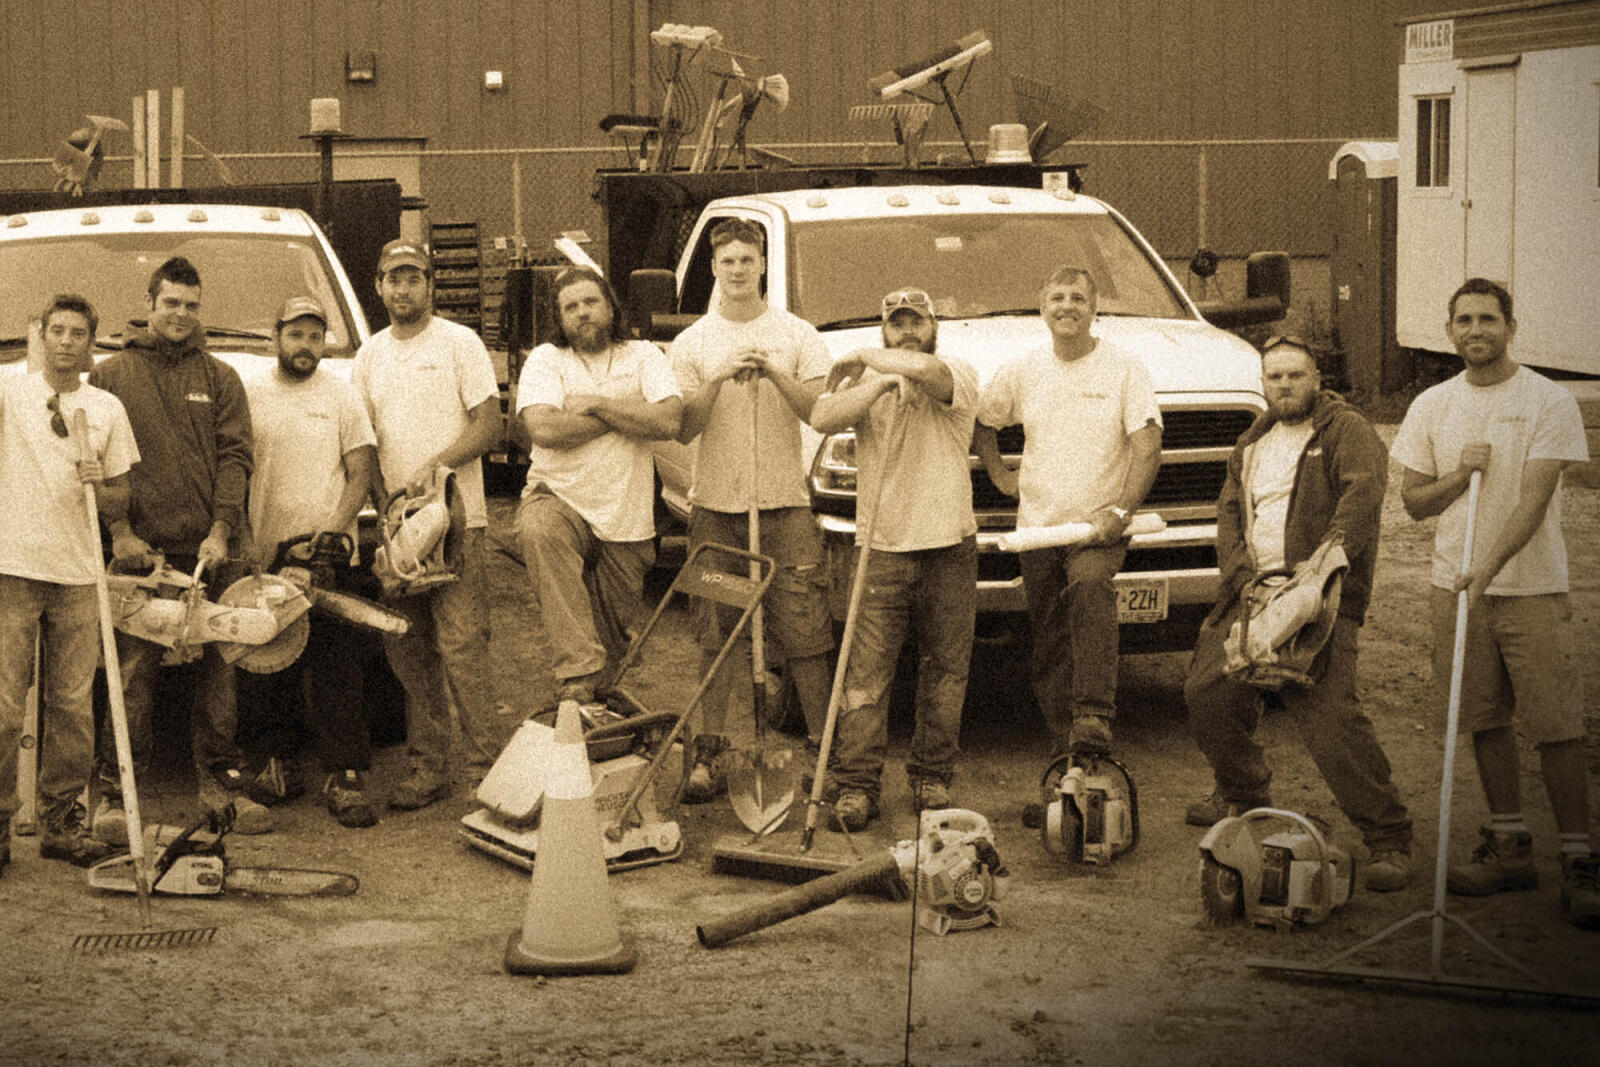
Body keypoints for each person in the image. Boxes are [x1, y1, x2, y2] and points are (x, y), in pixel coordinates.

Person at [1391, 277, 1597, 928]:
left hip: (1530, 585)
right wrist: (1459, 475)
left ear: (1511, 326)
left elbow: (1533, 503)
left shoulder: (1546, 399)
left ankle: (1580, 858)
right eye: (1463, 320)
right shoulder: (1432, 405)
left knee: (1557, 724)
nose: (1475, 329)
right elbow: (1415, 501)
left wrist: (1487, 569)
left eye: (1487, 318)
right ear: (1448, 331)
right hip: (1454, 584)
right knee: (1483, 716)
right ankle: (1509, 845)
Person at [1181, 336, 1413, 891]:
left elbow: (1361, 500)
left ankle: (1389, 838)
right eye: (1274, 377)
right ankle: (1243, 793)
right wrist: (1241, 578)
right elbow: (1230, 515)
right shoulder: (1251, 441)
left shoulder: (1345, 431)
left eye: (1296, 375)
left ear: (1316, 378)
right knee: (1207, 691)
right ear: (1263, 384)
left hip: (1319, 598)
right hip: (1252, 593)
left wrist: (1317, 571)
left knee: (1328, 716)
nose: (1284, 386)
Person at [87, 257, 271, 839]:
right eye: (171, 303)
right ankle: (118, 795)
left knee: (220, 675)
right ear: (150, 303)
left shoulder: (220, 378)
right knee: (132, 677)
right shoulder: (111, 376)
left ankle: (220, 786)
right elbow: (99, 467)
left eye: (191, 305)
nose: (181, 315)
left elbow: (236, 459)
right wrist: (120, 534)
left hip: (212, 554)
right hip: (139, 558)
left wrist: (222, 531)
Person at [672, 218, 835, 802]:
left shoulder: (797, 333)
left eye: (746, 259)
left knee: (805, 632)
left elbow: (819, 411)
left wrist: (775, 373)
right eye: (726, 261)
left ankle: (824, 755)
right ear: (713, 269)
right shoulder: (693, 342)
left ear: (762, 264)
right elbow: (685, 426)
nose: (736, 270)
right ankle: (709, 754)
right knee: (718, 635)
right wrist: (716, 378)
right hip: (716, 507)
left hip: (784, 506)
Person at [975, 265, 1161, 761]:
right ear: (1042, 309)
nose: (1067, 306)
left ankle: (1094, 715)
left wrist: (1120, 511)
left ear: (1094, 310)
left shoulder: (1124, 368)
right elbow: (984, 421)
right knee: (1052, 640)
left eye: (1078, 297)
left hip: (1097, 529)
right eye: (1057, 297)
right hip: (1038, 530)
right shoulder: (1023, 368)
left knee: (1090, 586)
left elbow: (1147, 445)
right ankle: (1067, 758)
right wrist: (999, 475)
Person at [808, 288, 979, 830]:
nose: (907, 330)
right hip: (880, 547)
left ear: (933, 326)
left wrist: (871, 360)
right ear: (885, 329)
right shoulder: (872, 380)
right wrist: (878, 384)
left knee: (945, 671)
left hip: (949, 544)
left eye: (917, 322)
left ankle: (932, 776)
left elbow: (931, 378)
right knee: (867, 674)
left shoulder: (957, 371)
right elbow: (822, 416)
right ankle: (858, 784)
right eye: (897, 324)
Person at [352, 239, 506, 810]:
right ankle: (428, 766)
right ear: (379, 286)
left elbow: (492, 426)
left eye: (414, 278)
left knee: (464, 645)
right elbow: (361, 443)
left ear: (430, 285)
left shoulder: (459, 343)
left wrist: (437, 468)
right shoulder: (370, 355)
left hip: (458, 522)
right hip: (400, 533)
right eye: (394, 279)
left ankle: (490, 769)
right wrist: (385, 519)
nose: (404, 289)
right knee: (409, 650)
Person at [0, 295, 138, 871]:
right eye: (56, 331)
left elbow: (120, 498)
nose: (65, 341)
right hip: (13, 567)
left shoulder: (106, 408)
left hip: (80, 574)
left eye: (77, 332)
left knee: (74, 705)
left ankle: (60, 822)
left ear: (90, 343)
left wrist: (97, 483)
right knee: (5, 706)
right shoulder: (9, 394)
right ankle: (0, 825)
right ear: (41, 336)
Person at [236, 296, 381, 828]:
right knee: (267, 659)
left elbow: (361, 469)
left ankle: (344, 775)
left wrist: (333, 531)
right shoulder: (250, 395)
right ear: (277, 336)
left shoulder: (342, 395)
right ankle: (276, 764)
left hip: (328, 553)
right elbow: (237, 472)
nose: (306, 346)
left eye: (315, 337)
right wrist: (249, 539)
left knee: (336, 664)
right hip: (267, 552)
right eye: (296, 335)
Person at [513, 268, 682, 702]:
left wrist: (598, 404)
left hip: (626, 520)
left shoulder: (644, 355)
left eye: (590, 302)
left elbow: (667, 421)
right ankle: (577, 669)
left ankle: (594, 722)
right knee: (538, 530)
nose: (582, 313)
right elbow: (545, 430)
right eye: (570, 307)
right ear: (559, 317)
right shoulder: (547, 360)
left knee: (612, 656)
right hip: (557, 496)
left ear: (610, 306)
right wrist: (626, 416)